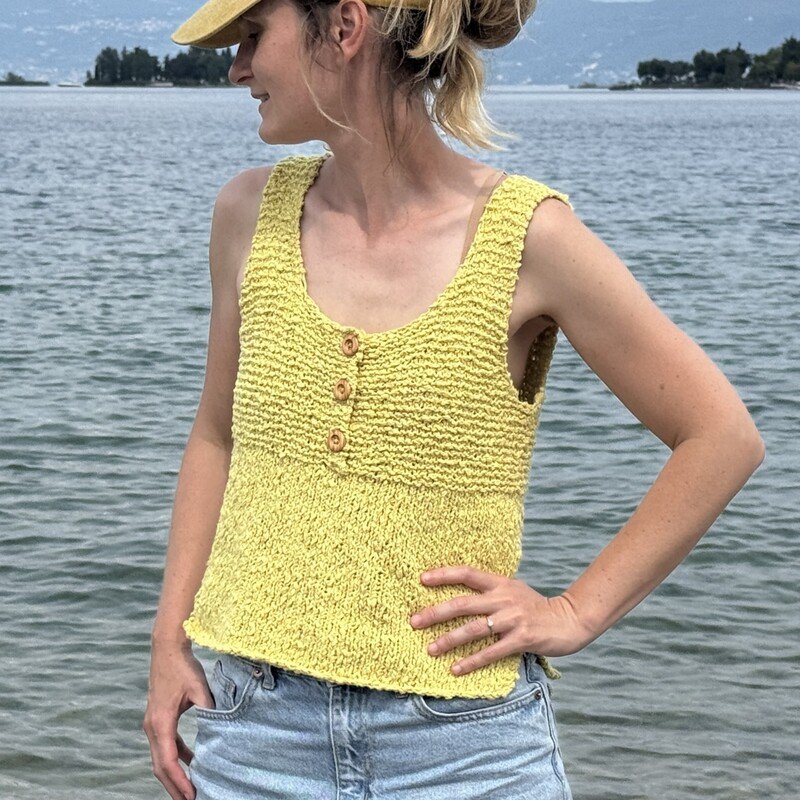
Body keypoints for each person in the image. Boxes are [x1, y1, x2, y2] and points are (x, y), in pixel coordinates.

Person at [142, 0, 766, 798]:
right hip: (255, 733)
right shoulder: (246, 215)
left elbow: (720, 436)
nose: (236, 70)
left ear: (345, 26)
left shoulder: (528, 237)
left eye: (253, 37)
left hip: (465, 751)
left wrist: (575, 612)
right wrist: (168, 642)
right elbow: (216, 435)